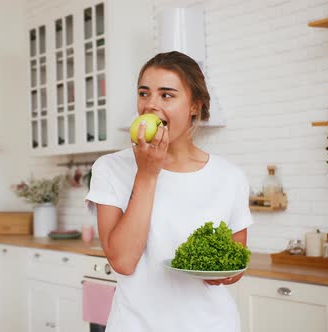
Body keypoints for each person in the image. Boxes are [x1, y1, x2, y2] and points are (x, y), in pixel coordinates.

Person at [85, 51, 253, 332]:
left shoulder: (230, 177)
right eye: (144, 93)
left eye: (166, 95)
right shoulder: (110, 168)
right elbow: (123, 261)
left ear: (194, 106)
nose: (151, 105)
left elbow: (236, 261)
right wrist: (148, 173)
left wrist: (223, 275)